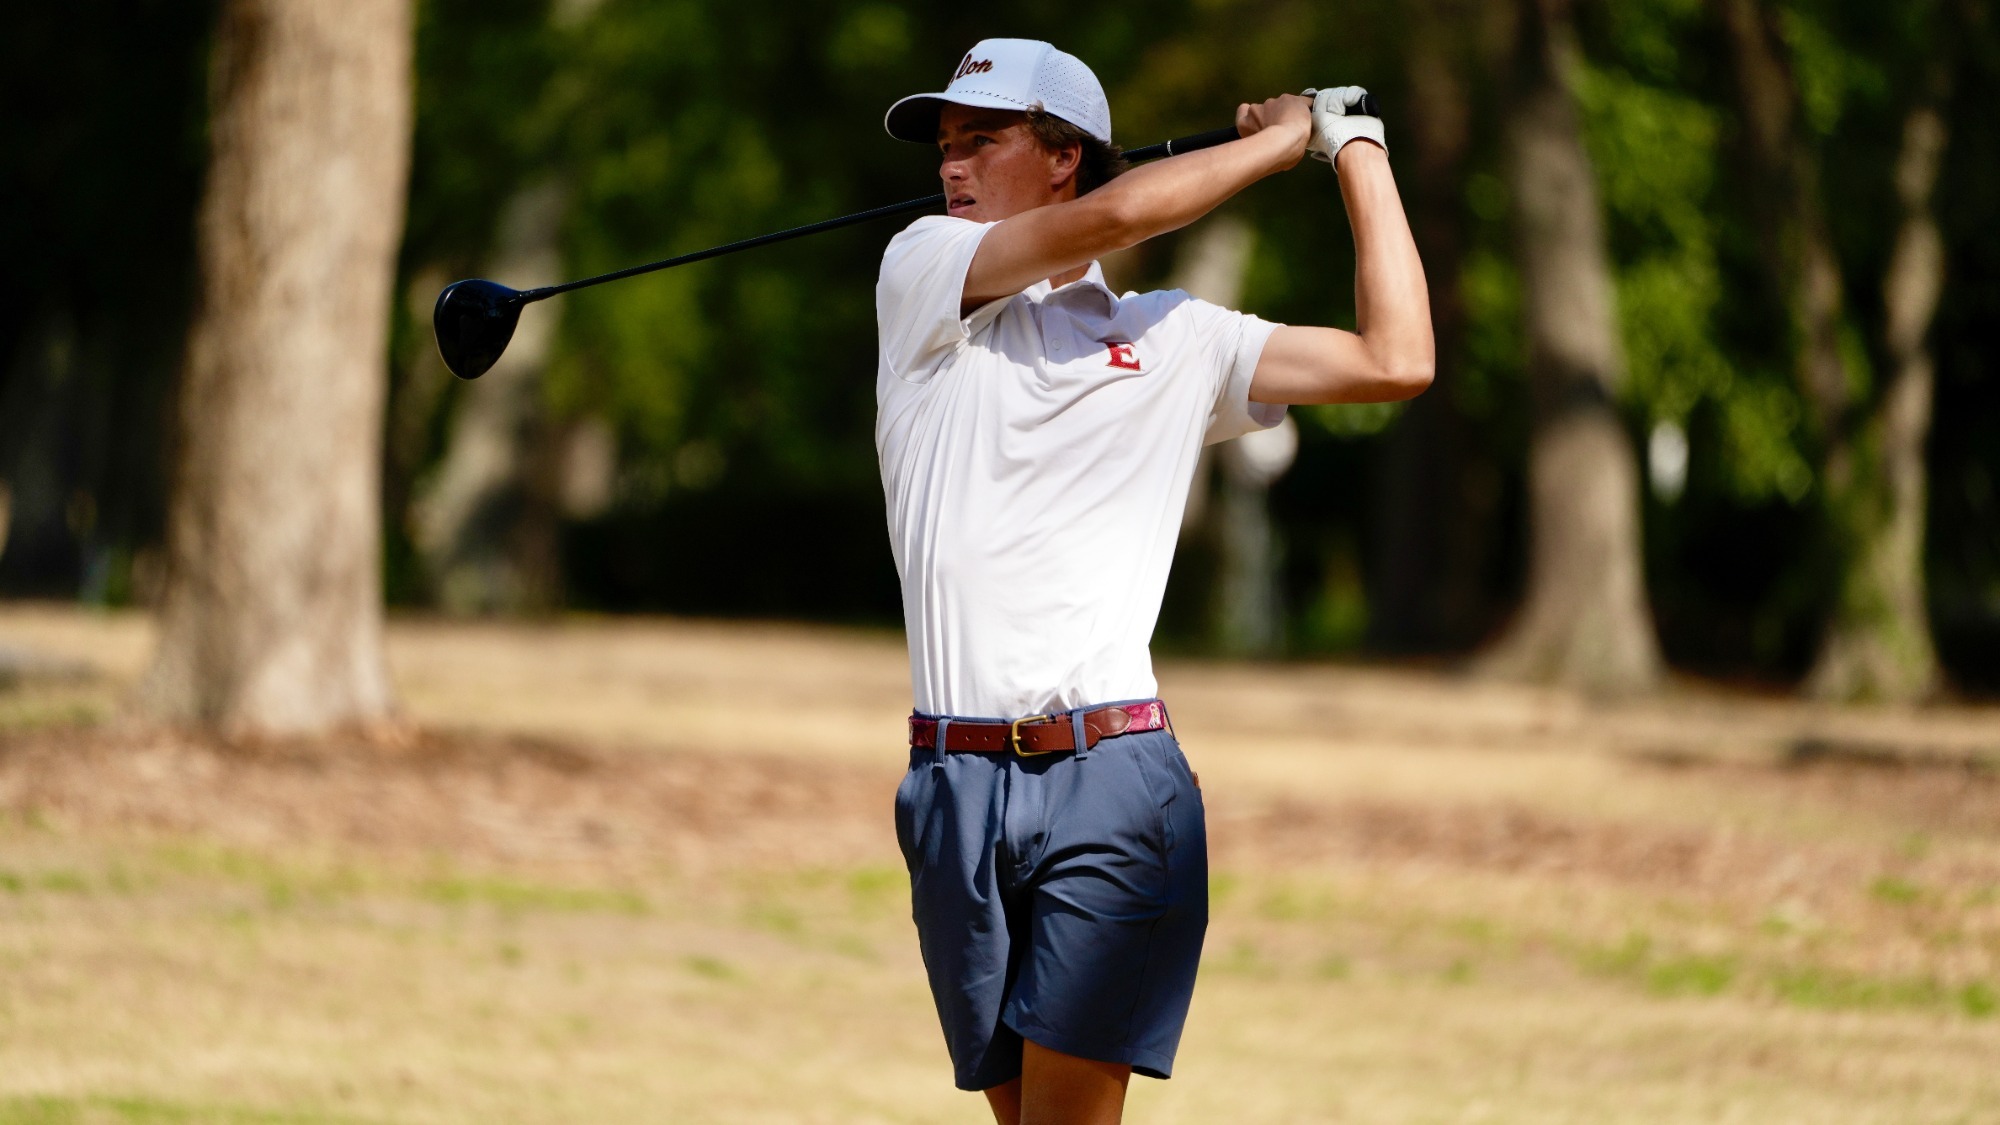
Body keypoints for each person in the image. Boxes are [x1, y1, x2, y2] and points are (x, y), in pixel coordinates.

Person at [875, 38, 1431, 1125]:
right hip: (951, 787)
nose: (951, 168)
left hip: (1111, 782)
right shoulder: (921, 278)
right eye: (945, 146)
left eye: (981, 140)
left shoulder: (1175, 342)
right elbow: (1113, 222)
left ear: (1062, 156)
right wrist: (1275, 146)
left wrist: (1349, 144)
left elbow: (1394, 358)